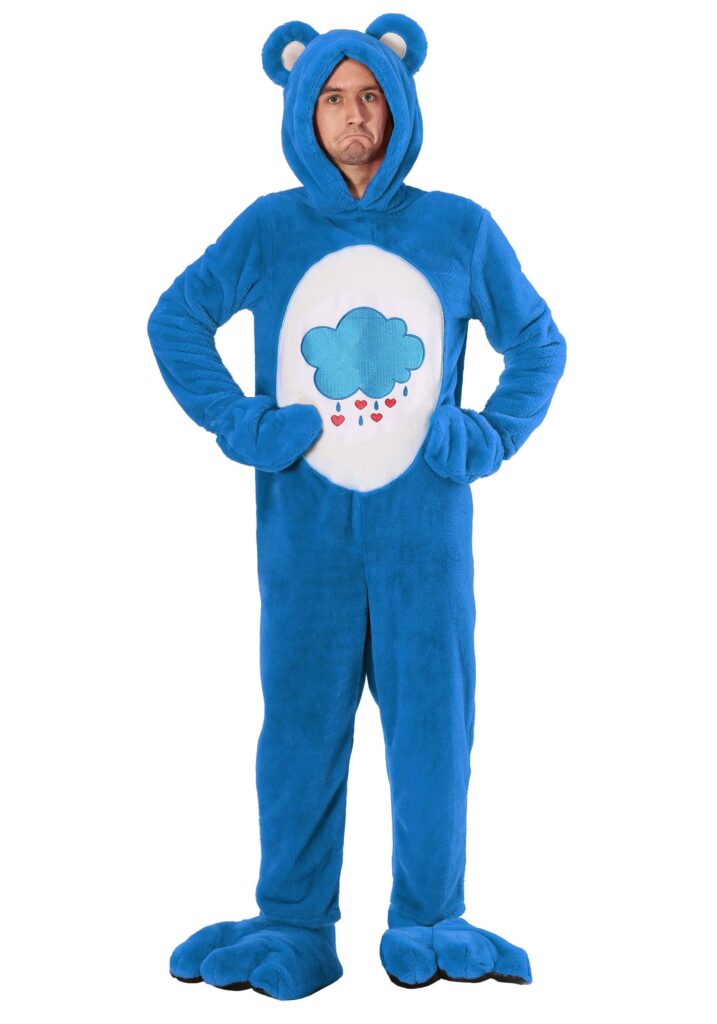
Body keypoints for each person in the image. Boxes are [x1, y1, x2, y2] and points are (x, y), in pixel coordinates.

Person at [147, 15, 567, 1001]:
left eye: (370, 95)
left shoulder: (457, 227)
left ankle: (430, 915)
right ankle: (295, 921)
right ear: (301, 107)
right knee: (298, 724)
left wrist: (485, 435)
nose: (352, 116)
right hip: (304, 535)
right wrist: (243, 423)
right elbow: (175, 319)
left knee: (434, 726)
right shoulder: (269, 229)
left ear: (400, 101)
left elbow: (538, 342)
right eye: (332, 98)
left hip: (426, 533)